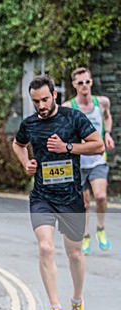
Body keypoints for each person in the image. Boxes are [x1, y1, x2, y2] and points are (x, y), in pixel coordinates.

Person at [12, 74, 104, 310]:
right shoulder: (29, 124)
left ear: (54, 95)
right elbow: (18, 144)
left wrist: (68, 147)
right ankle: (54, 309)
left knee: (74, 253)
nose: (40, 106)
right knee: (45, 248)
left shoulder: (73, 118)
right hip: (42, 196)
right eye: (35, 102)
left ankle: (76, 300)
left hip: (71, 196)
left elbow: (97, 146)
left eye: (44, 99)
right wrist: (26, 163)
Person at [63, 67, 115, 255]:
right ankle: (85, 236)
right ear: (74, 85)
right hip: (79, 163)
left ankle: (100, 228)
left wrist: (107, 134)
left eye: (87, 82)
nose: (84, 86)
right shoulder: (69, 107)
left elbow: (108, 119)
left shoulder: (102, 103)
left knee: (100, 196)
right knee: (84, 203)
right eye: (80, 83)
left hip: (98, 160)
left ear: (91, 82)